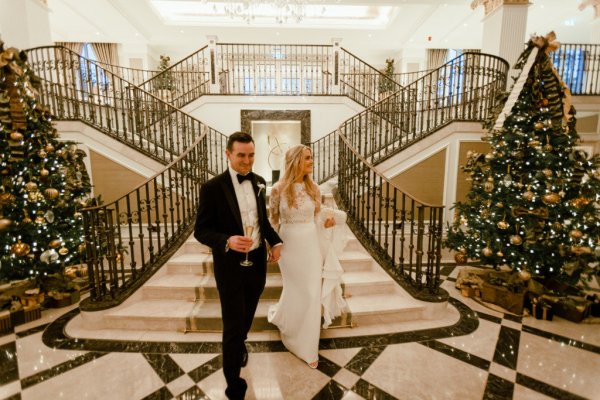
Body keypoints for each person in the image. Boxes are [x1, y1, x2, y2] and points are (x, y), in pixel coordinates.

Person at [194, 131, 282, 400]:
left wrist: (274, 241)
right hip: (230, 266)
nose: (247, 161)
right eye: (241, 155)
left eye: (251, 155)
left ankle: (240, 343)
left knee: (245, 317)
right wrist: (227, 241)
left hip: (256, 262)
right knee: (232, 325)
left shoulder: (259, 182)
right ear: (228, 154)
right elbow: (201, 230)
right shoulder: (212, 187)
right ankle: (234, 384)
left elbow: (263, 221)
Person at [267, 144, 336, 369]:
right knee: (296, 289)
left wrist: (327, 222)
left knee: (311, 291)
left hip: (310, 243)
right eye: (307, 158)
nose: (311, 162)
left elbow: (319, 218)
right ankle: (291, 330)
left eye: (311, 157)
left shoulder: (315, 188)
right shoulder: (278, 189)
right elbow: (273, 220)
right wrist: (272, 245)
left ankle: (308, 346)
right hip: (289, 245)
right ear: (296, 160)